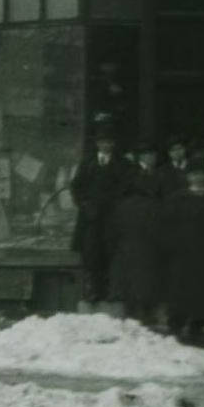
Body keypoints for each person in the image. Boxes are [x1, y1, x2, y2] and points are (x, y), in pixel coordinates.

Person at [157, 162, 204, 344]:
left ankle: (198, 325)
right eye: (194, 174)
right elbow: (166, 225)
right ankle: (175, 325)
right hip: (182, 253)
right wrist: (172, 246)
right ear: (188, 177)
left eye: (201, 174)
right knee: (180, 289)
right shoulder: (177, 199)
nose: (198, 178)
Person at [105, 144, 165, 326]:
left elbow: (112, 231)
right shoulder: (154, 206)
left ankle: (131, 314)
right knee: (147, 283)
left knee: (128, 283)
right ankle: (147, 314)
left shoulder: (121, 206)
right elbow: (160, 230)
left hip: (126, 249)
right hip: (148, 249)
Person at [70, 126, 125, 307]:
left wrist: (116, 207)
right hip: (91, 218)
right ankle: (92, 291)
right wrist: (84, 205)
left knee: (111, 253)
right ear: (97, 144)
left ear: (114, 144)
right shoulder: (88, 163)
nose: (105, 145)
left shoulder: (121, 163)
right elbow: (76, 187)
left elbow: (125, 187)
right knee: (91, 254)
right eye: (102, 142)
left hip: (112, 218)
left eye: (109, 142)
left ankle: (110, 291)